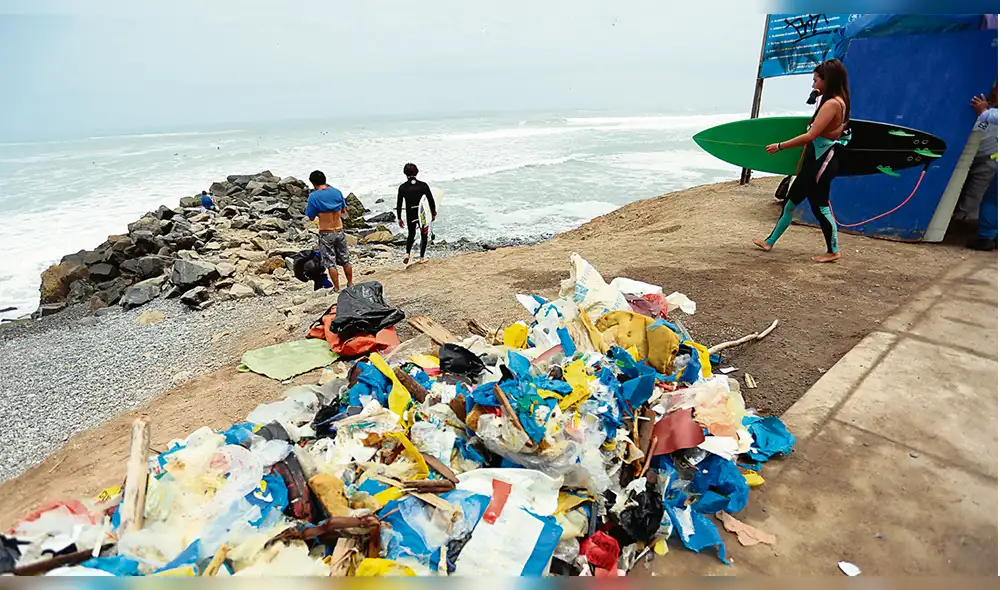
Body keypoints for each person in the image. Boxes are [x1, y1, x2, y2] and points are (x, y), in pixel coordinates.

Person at [753, 59, 852, 263]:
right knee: (790, 203)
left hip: (821, 165)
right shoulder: (838, 100)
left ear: (828, 80)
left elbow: (810, 136)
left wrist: (779, 146)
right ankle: (770, 241)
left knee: (820, 208)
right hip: (815, 162)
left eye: (816, 80)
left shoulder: (833, 104)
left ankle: (833, 250)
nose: (813, 85)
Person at [955, 81, 998, 251]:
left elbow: (993, 116)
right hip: (990, 157)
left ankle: (986, 237)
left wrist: (984, 112)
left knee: (993, 200)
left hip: (989, 157)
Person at [305, 170, 353, 290]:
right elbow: (343, 211)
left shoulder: (313, 196)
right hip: (339, 229)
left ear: (313, 183)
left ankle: (337, 288)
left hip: (326, 232)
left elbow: (310, 217)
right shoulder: (337, 192)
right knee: (345, 260)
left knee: (330, 262)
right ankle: (350, 283)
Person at [396, 163, 436, 265]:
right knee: (424, 234)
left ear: (405, 173)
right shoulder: (423, 185)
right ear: (416, 172)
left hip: (411, 213)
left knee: (411, 234)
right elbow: (431, 200)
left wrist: (399, 218)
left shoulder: (402, 187)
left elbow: (399, 204)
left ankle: (407, 253)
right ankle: (422, 258)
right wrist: (433, 213)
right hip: (422, 214)